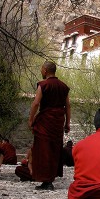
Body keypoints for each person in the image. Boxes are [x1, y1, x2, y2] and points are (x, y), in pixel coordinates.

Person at [28, 60, 71, 190]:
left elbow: (36, 103)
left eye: (41, 69)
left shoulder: (43, 85)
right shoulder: (64, 86)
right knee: (53, 149)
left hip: (45, 121)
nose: (41, 71)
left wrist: (31, 120)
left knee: (43, 150)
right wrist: (67, 123)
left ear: (45, 70)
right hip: (57, 121)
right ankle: (50, 178)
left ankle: (46, 180)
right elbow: (68, 106)